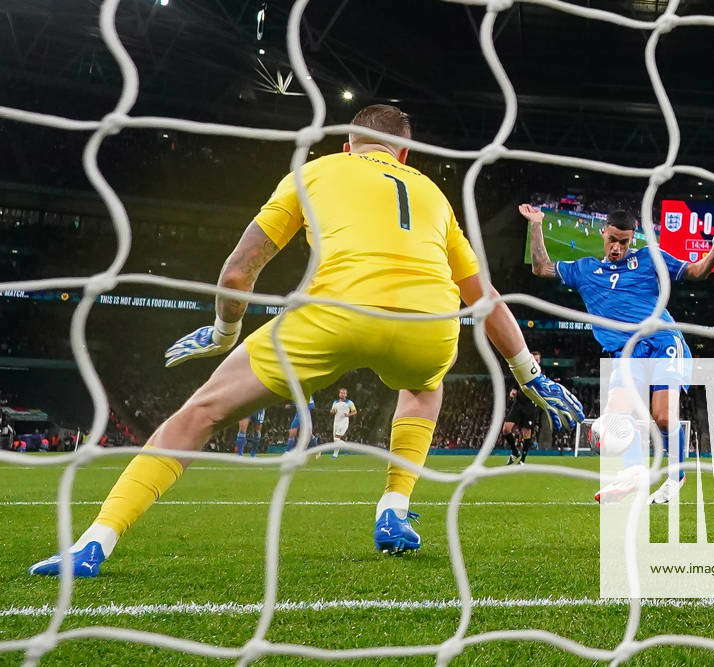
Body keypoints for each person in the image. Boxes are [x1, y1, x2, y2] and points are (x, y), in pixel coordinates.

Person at [28, 105, 583, 578]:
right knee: (424, 386)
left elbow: (238, 272)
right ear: (404, 155)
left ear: (347, 145)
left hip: (334, 313)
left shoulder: (314, 172)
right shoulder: (433, 192)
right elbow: (484, 296)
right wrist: (529, 374)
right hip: (429, 323)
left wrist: (224, 332)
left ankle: (95, 541)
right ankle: (394, 504)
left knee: (198, 414)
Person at [519, 203, 714, 504]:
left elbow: (695, 272)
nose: (617, 247)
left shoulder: (648, 258)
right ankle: (633, 472)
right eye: (613, 240)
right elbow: (541, 267)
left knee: (665, 419)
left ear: (633, 240)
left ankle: (676, 477)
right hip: (626, 353)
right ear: (603, 232)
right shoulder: (585, 270)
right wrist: (536, 224)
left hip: (663, 342)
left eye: (624, 242)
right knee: (614, 416)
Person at [502, 351, 543, 465]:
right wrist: (514, 389)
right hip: (518, 403)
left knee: (526, 432)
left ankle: (523, 460)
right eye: (534, 359)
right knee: (506, 429)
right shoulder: (523, 370)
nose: (535, 361)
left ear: (539, 361)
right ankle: (515, 452)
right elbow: (518, 380)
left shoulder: (540, 374)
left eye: (537, 360)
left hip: (530, 405)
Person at [327, 387, 357, 459]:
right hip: (336, 422)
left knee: (337, 438)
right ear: (339, 394)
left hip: (344, 422)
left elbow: (355, 411)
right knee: (335, 439)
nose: (342, 394)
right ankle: (335, 455)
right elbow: (333, 411)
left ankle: (347, 448)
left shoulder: (349, 402)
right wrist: (332, 411)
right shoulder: (335, 402)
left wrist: (348, 415)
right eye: (341, 393)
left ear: (346, 395)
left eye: (344, 393)